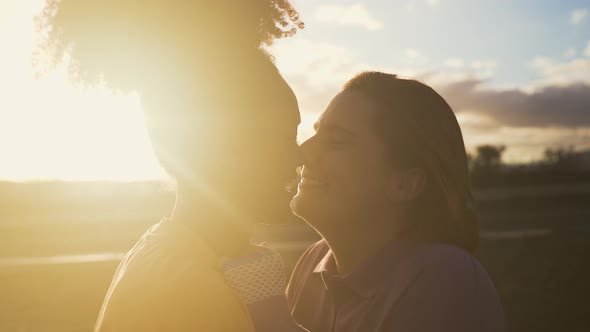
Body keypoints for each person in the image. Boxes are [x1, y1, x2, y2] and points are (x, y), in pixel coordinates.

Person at [36, 1, 305, 331]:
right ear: (218, 152)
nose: (299, 157)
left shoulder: (168, 250)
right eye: (281, 138)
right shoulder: (194, 295)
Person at [226, 71, 507, 331]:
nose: (303, 152)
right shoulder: (313, 262)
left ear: (404, 184)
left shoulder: (444, 274)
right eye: (315, 134)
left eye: (336, 141)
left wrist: (268, 313)